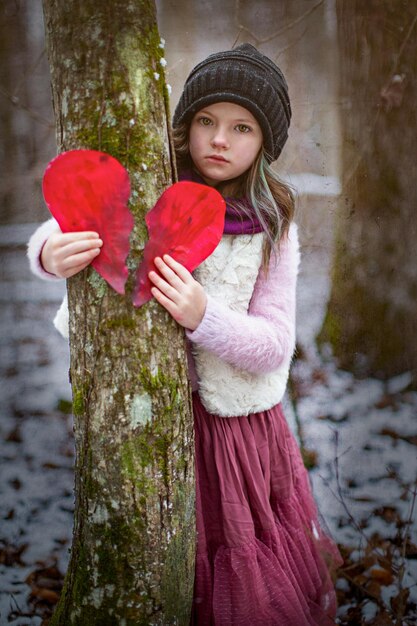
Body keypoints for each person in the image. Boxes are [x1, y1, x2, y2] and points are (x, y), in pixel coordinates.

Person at [28, 43, 343, 625]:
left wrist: (205, 316)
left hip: (234, 429)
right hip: (155, 414)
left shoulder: (272, 221)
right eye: (206, 121)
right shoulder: (157, 178)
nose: (219, 139)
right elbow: (82, 210)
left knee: (234, 551)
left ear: (265, 143)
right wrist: (48, 250)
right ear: (185, 125)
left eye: (241, 127)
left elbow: (276, 342)